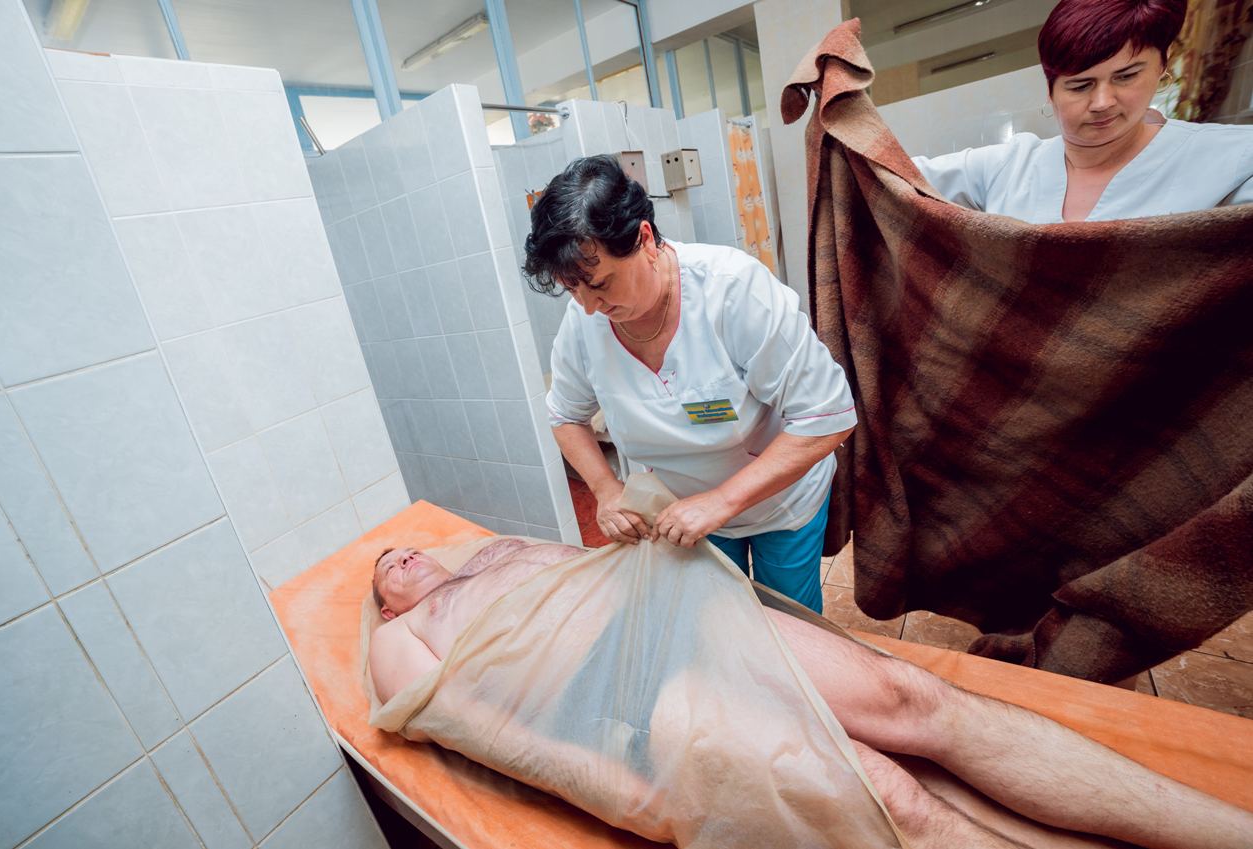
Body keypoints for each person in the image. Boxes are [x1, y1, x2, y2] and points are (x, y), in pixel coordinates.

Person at [368, 541, 1253, 849]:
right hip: (618, 699)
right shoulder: (402, 635)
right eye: (384, 569)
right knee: (892, 795)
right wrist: (622, 790)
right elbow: (492, 735)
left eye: (401, 549)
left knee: (913, 699)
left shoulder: (495, 548)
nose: (398, 557)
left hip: (683, 619)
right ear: (387, 604)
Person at [522, 154, 855, 614]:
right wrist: (605, 489)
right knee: (715, 617)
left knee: (789, 621)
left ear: (644, 239)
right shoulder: (583, 322)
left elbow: (827, 416)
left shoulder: (731, 289)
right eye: (573, 291)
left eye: (600, 285)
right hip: (681, 507)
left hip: (779, 501)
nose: (590, 307)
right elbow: (564, 415)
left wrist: (721, 501)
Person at [913, 0, 1253, 223]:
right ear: (1050, 92)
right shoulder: (1009, 166)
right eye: (1080, 86)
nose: (1103, 102)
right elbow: (891, 176)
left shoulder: (1235, 159)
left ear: (1161, 67)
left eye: (1126, 76)